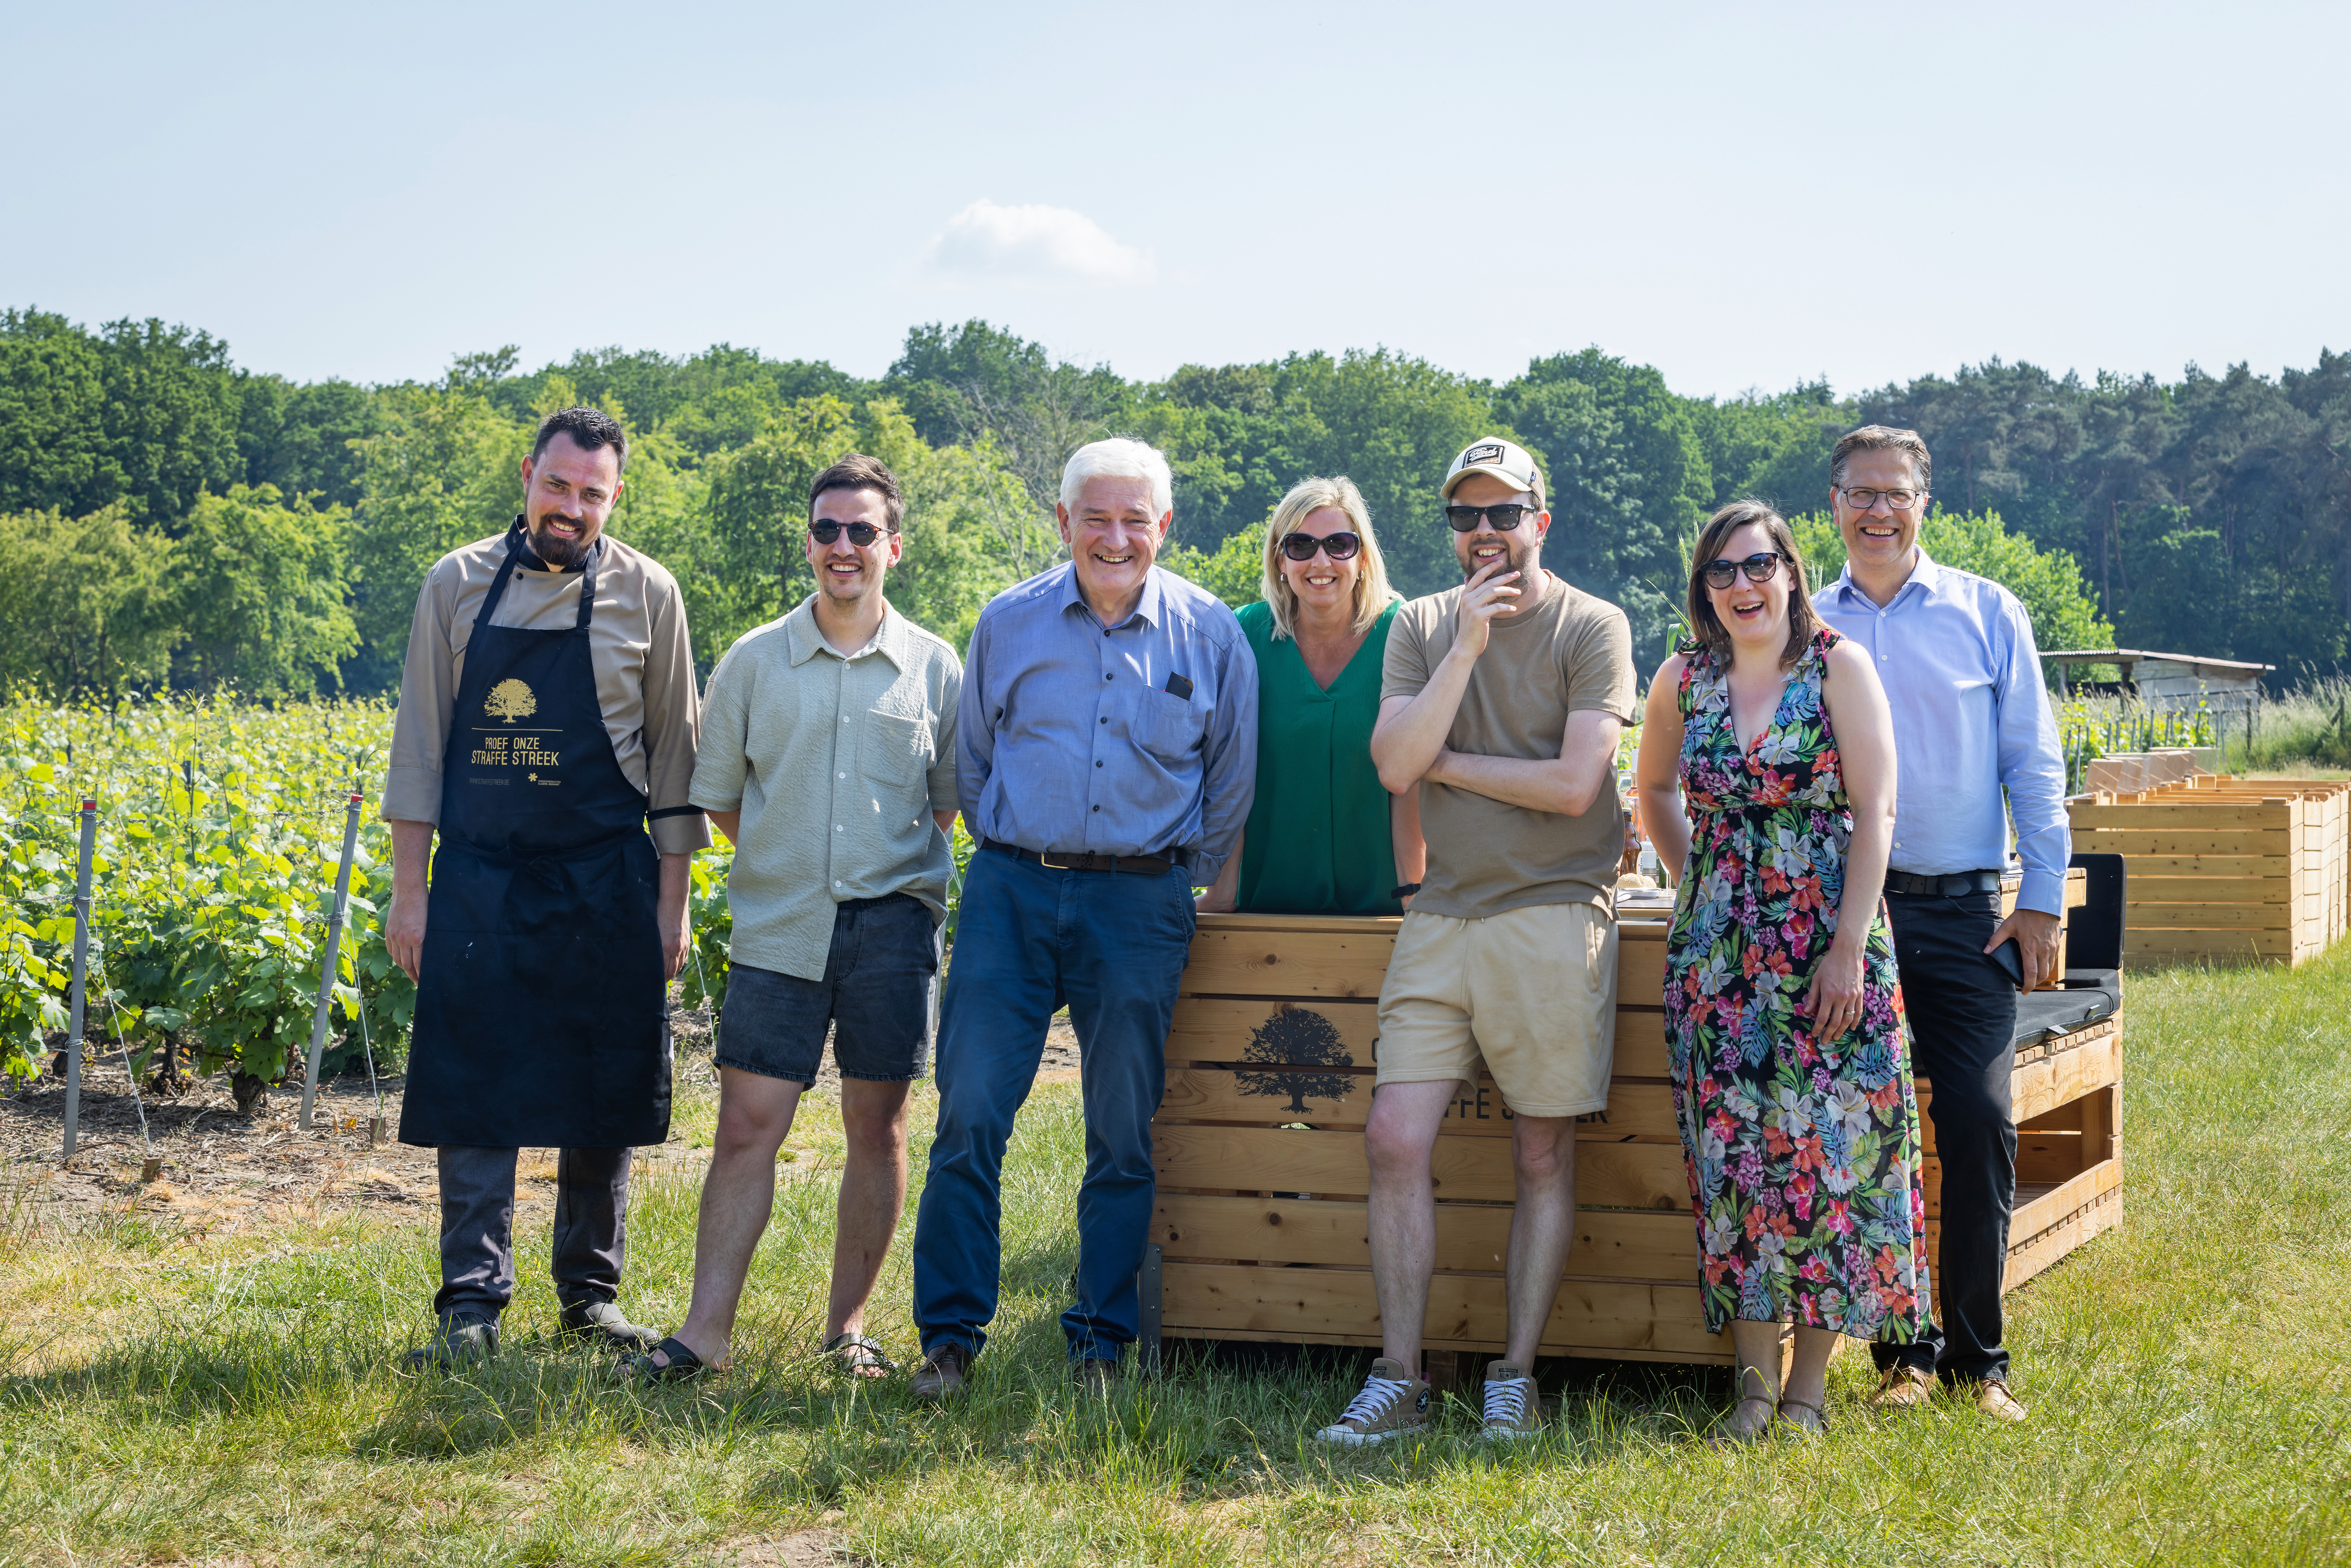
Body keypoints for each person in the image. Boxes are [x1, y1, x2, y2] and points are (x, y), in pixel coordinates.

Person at [907, 437, 1258, 1400]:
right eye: (1094, 518)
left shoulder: (1209, 633)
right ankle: (950, 1335)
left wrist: (1163, 876)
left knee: (1122, 1128)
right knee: (971, 1111)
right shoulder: (1008, 622)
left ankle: (1100, 1335)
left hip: (1138, 905)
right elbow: (973, 766)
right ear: (1062, 523)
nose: (1114, 538)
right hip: (1010, 894)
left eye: (1133, 519)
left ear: (1163, 526)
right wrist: (1030, 848)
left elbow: (1228, 785)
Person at [1319, 438, 1635, 1444]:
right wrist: (1462, 647)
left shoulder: (1593, 625)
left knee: (1538, 1148)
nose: (1485, 533)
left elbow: (1573, 787)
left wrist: (1448, 758)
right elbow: (1389, 769)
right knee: (1392, 1138)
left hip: (1552, 912)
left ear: (1542, 520)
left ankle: (1514, 1373)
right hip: (1443, 915)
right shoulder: (1418, 626)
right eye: (1466, 518)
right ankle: (1399, 1376)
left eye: (1504, 513)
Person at [384, 406, 707, 1369]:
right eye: (557, 485)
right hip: (481, 873)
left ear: (616, 495)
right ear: (527, 474)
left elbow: (676, 761)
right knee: (472, 1084)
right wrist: (412, 890)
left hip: (608, 873)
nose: (571, 507)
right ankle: (471, 1304)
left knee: (602, 1085)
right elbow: (420, 748)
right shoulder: (456, 583)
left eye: (592, 493)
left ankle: (590, 1297)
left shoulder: (649, 593)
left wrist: (673, 900)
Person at [627, 455, 961, 1385]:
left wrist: (866, 871)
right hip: (780, 925)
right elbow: (722, 801)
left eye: (861, 531)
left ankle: (847, 1328)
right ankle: (703, 1334)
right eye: (827, 531)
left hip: (892, 930)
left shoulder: (935, 668)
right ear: (807, 541)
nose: (843, 548)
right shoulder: (751, 662)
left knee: (879, 1128)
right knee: (747, 1125)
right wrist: (791, 858)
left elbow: (942, 807)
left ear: (893, 544)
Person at [1636, 500, 1927, 1441]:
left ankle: (1806, 1391)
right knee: (1737, 1162)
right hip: (1718, 962)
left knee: (1830, 1159)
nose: (1742, 585)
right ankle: (1751, 1388)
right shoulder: (1682, 677)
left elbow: (1877, 810)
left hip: (1826, 949)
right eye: (1720, 572)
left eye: (1757, 564)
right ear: (1702, 588)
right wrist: (1700, 883)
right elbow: (1649, 787)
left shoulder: (1839, 664)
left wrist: (1847, 946)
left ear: (1791, 570)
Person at [1811, 425, 2067, 1424]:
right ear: (1830, 501)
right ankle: (1899, 1356)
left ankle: (1977, 1359)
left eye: (1896, 492)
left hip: (1964, 912)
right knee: (1868, 1129)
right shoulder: (1801, 623)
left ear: (1926, 502)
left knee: (1977, 1120)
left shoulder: (1984, 612)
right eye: (1858, 492)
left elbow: (2033, 763)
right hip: (1845, 921)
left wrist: (2040, 897)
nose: (1877, 510)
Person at [1196, 476, 1424, 915]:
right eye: (1301, 546)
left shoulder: (1406, 635)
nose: (1321, 561)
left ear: (1362, 557)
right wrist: (1221, 895)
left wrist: (1415, 900)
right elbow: (1225, 770)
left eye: (1339, 544)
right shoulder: (1243, 637)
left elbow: (1414, 779)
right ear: (1280, 559)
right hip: (1263, 910)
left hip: (1384, 908)